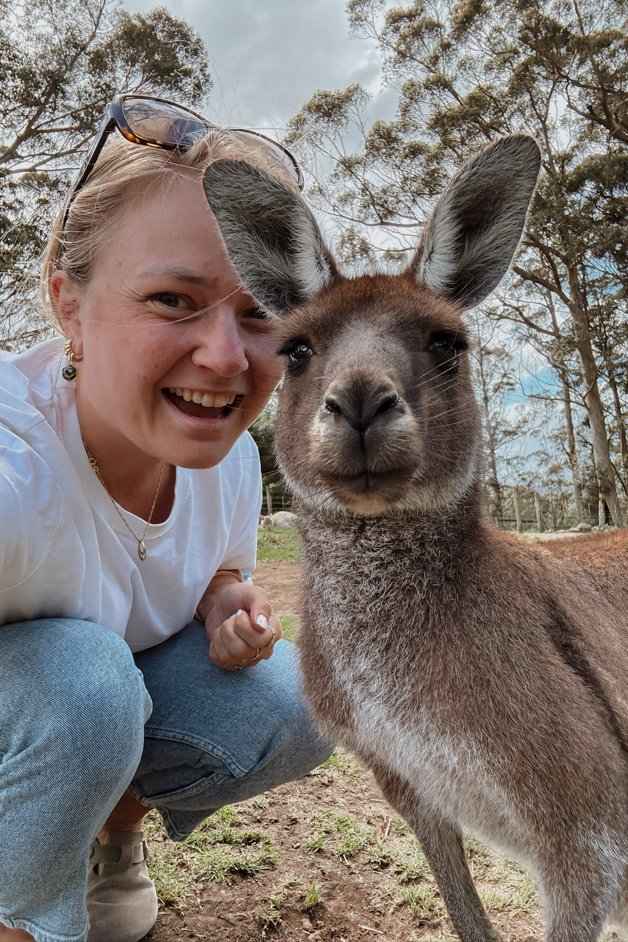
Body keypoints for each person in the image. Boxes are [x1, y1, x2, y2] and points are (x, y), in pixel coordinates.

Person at [0, 94, 332, 942]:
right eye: (173, 300)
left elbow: (213, 567)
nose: (226, 357)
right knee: (85, 688)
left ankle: (110, 839)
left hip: (81, 714)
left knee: (296, 696)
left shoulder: (230, 461)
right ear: (68, 306)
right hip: (39, 713)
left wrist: (225, 600)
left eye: (258, 310)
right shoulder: (17, 468)